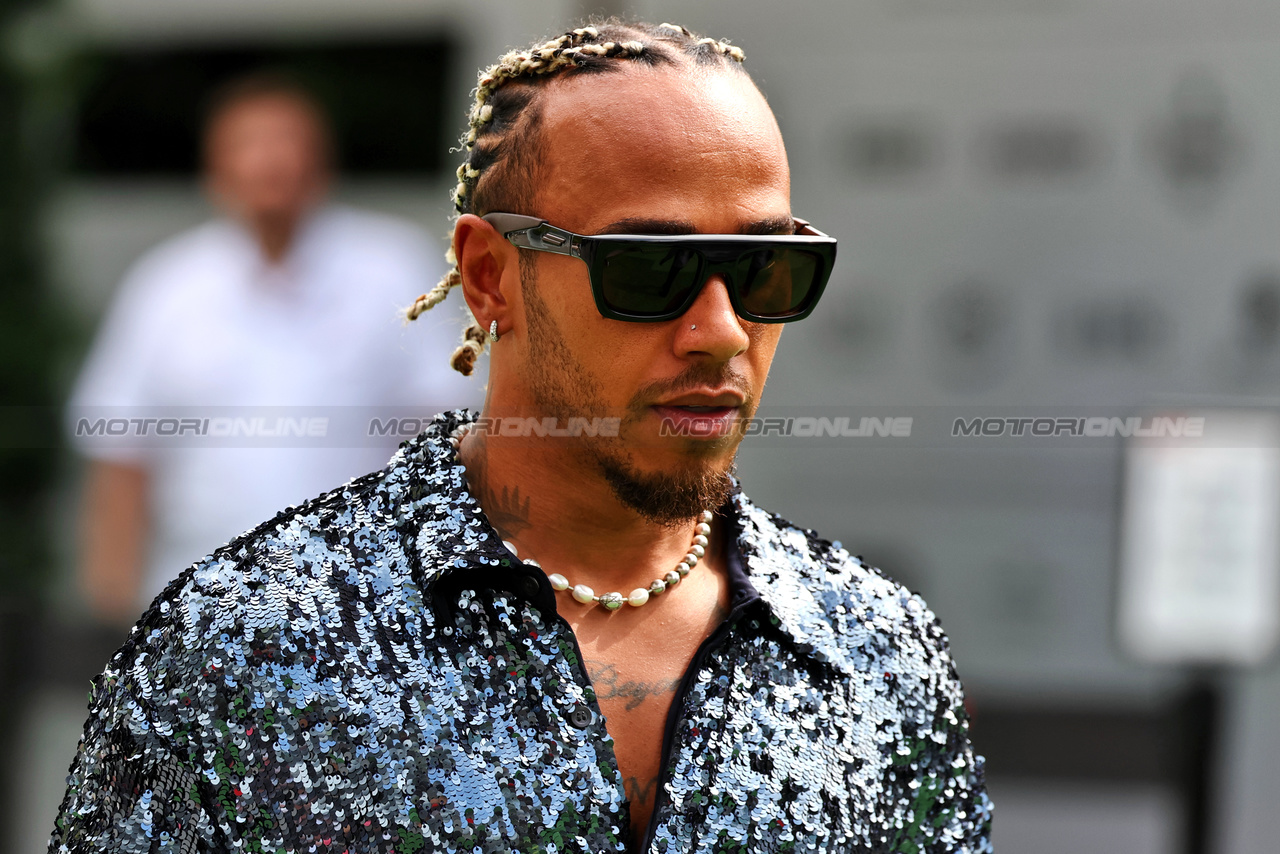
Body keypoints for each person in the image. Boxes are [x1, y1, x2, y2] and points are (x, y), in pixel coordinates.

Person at [51, 21, 992, 853]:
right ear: (490, 277)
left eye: (764, 267)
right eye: (647, 269)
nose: (722, 329)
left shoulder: (877, 652)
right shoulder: (236, 649)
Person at [67, 74, 478, 624]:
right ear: (214, 169)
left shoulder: (388, 268)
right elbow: (122, 458)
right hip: (195, 608)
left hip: (361, 605)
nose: (269, 161)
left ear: (322, 162)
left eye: (286, 142)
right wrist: (109, 616)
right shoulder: (166, 286)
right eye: (248, 144)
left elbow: (438, 432)